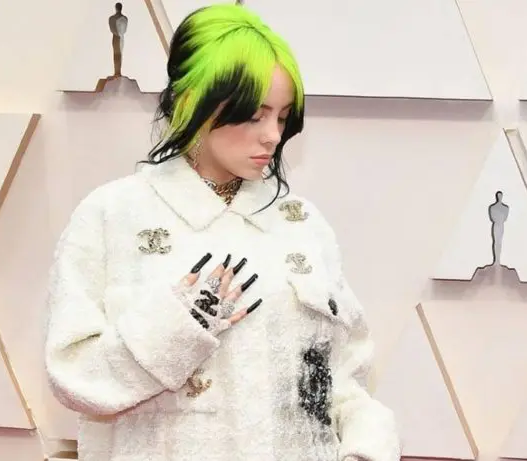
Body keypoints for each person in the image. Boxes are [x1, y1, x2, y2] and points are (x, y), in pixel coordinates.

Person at [44, 4, 400, 461]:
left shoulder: (301, 224)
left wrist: (366, 447)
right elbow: (75, 377)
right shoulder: (113, 216)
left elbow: (343, 377)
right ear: (195, 102)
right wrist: (177, 327)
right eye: (255, 115)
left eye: (282, 117)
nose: (272, 136)